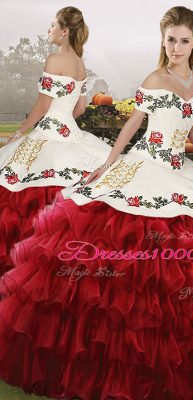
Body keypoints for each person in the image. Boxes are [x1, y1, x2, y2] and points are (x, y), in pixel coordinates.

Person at [0, 6, 193, 400]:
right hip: (144, 163)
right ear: (163, 41)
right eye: (171, 39)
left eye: (184, 41)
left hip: (181, 167)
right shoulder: (154, 78)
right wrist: (109, 163)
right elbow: (131, 125)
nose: (176, 47)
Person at [0, 6, 113, 276]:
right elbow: (80, 109)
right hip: (71, 134)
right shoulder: (80, 63)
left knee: (20, 189)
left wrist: (17, 135)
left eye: (52, 26)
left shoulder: (54, 59)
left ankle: (24, 265)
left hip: (49, 132)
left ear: (64, 31)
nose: (48, 30)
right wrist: (65, 120)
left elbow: (41, 107)